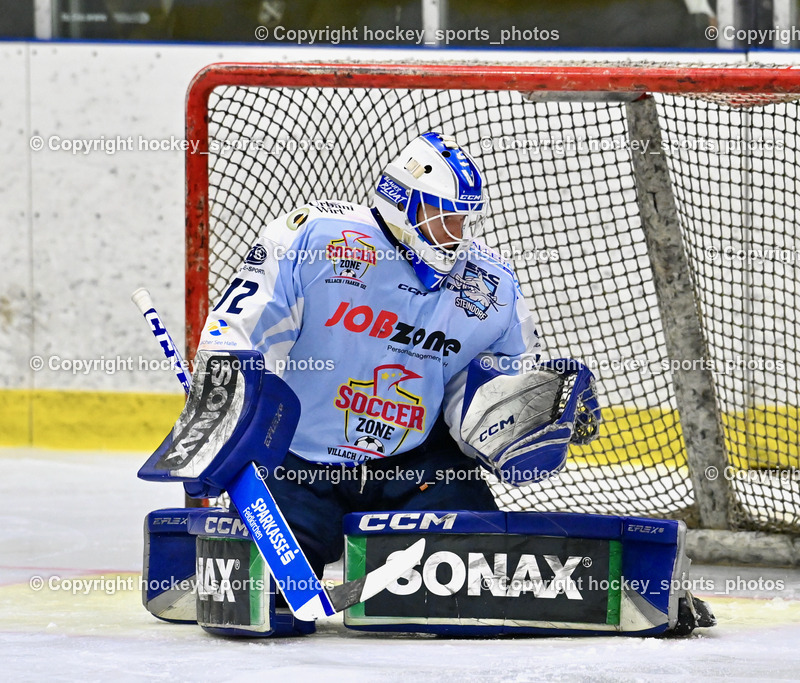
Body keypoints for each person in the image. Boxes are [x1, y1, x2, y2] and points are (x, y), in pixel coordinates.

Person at [195, 131, 566, 577]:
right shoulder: (316, 238)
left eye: (463, 221)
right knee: (257, 585)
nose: (455, 237)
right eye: (442, 218)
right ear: (401, 203)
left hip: (415, 467)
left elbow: (484, 393)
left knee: (476, 572)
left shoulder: (491, 286)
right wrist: (219, 417)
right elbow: (239, 330)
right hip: (297, 461)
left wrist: (525, 423)